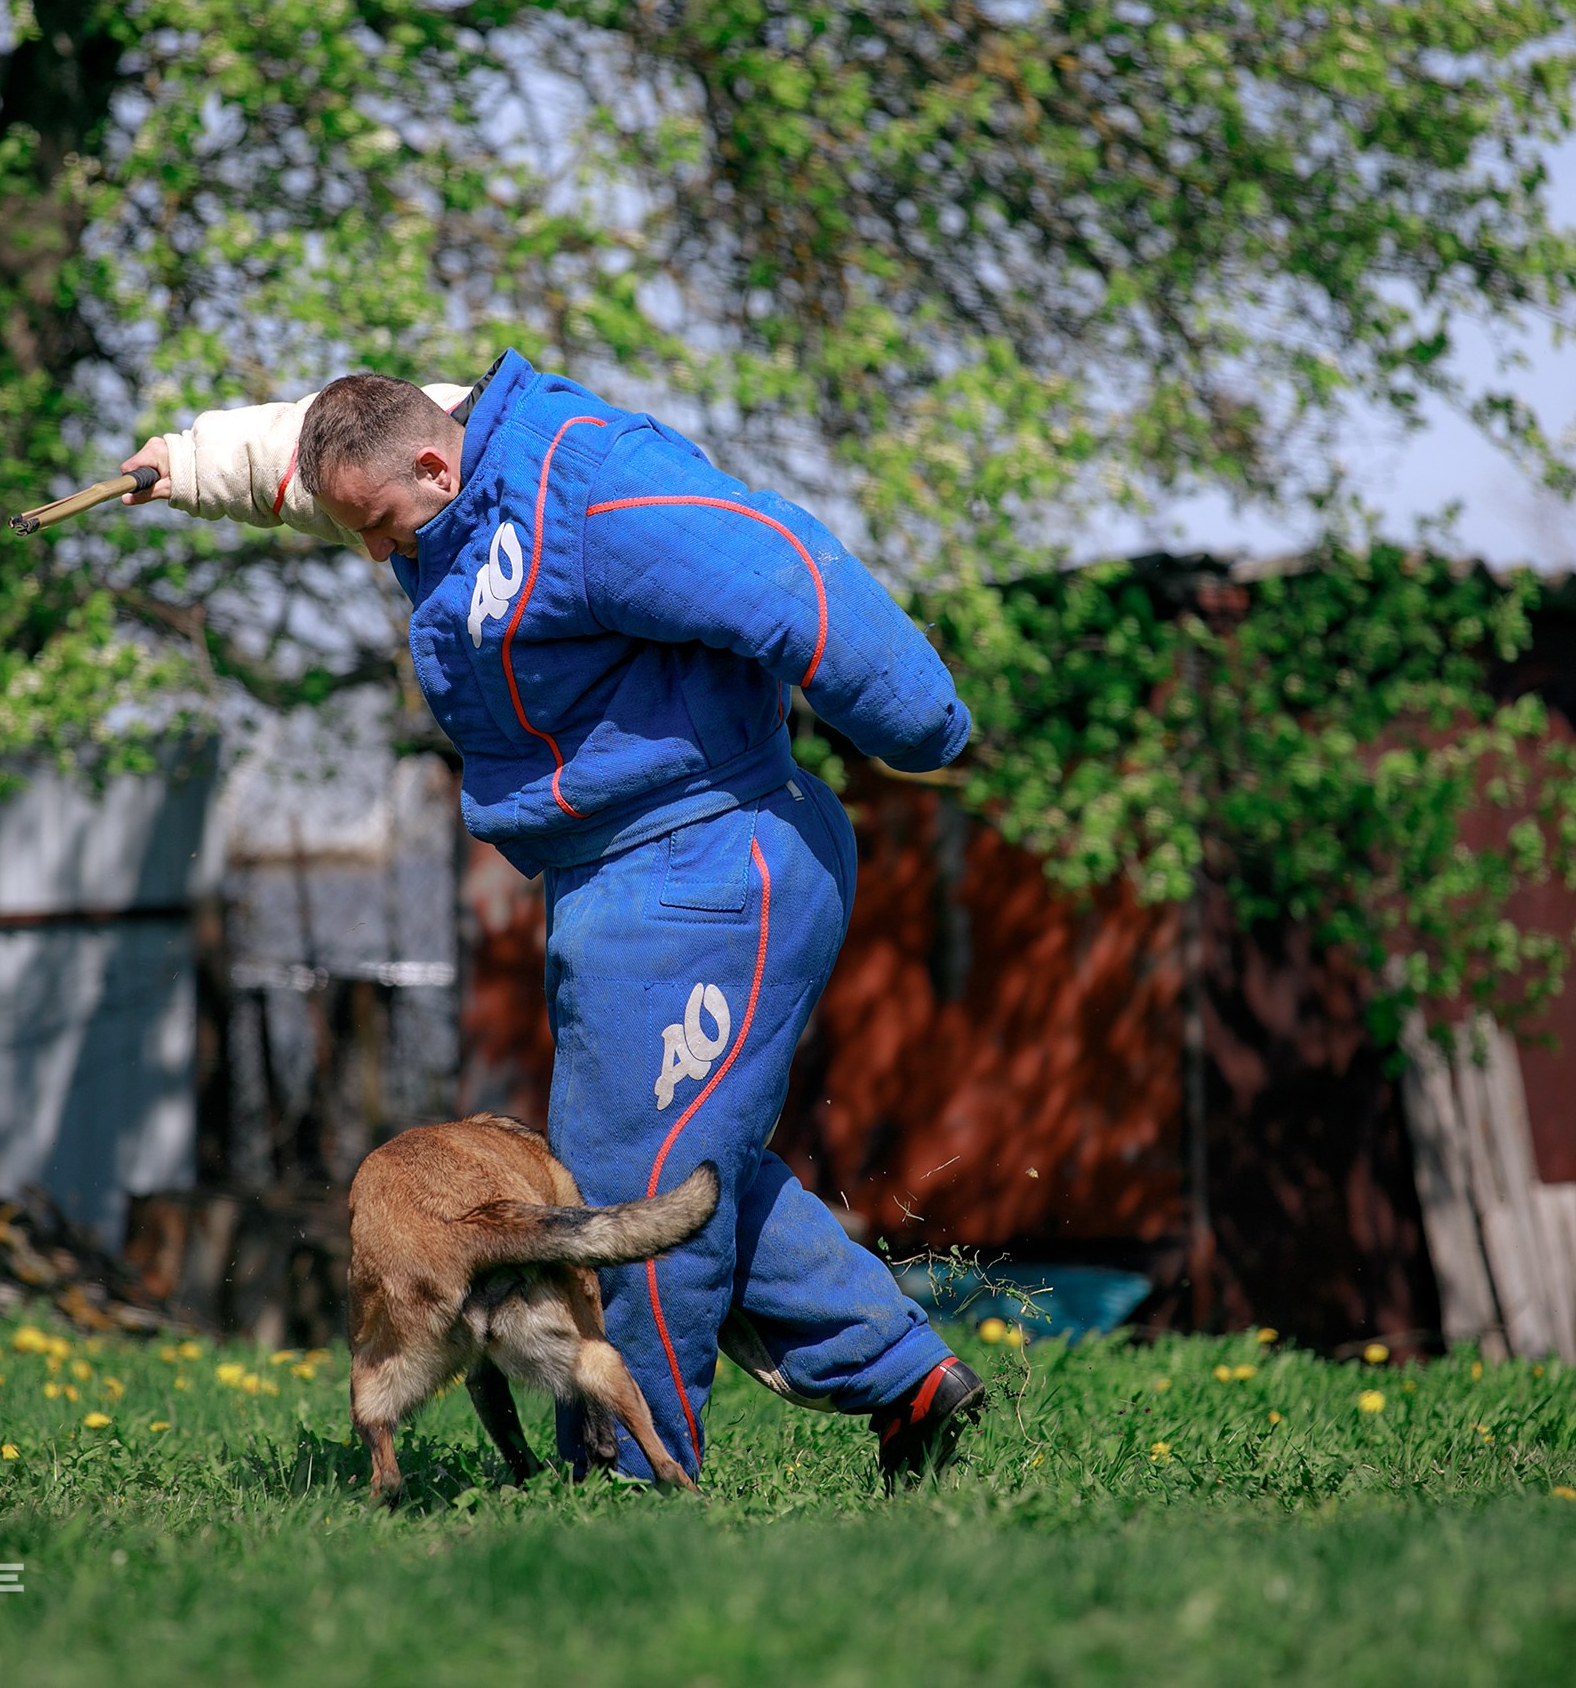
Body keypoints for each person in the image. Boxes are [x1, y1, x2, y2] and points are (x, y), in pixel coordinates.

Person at [121, 352, 983, 1484]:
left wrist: (924, 727)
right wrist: (186, 464)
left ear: (435, 465)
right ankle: (906, 1377)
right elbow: (311, 452)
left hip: (705, 862)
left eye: (377, 527)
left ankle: (625, 1488)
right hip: (611, 881)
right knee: (674, 1165)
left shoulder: (590, 488)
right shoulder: (428, 477)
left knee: (622, 1192)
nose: (374, 554)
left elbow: (783, 566)